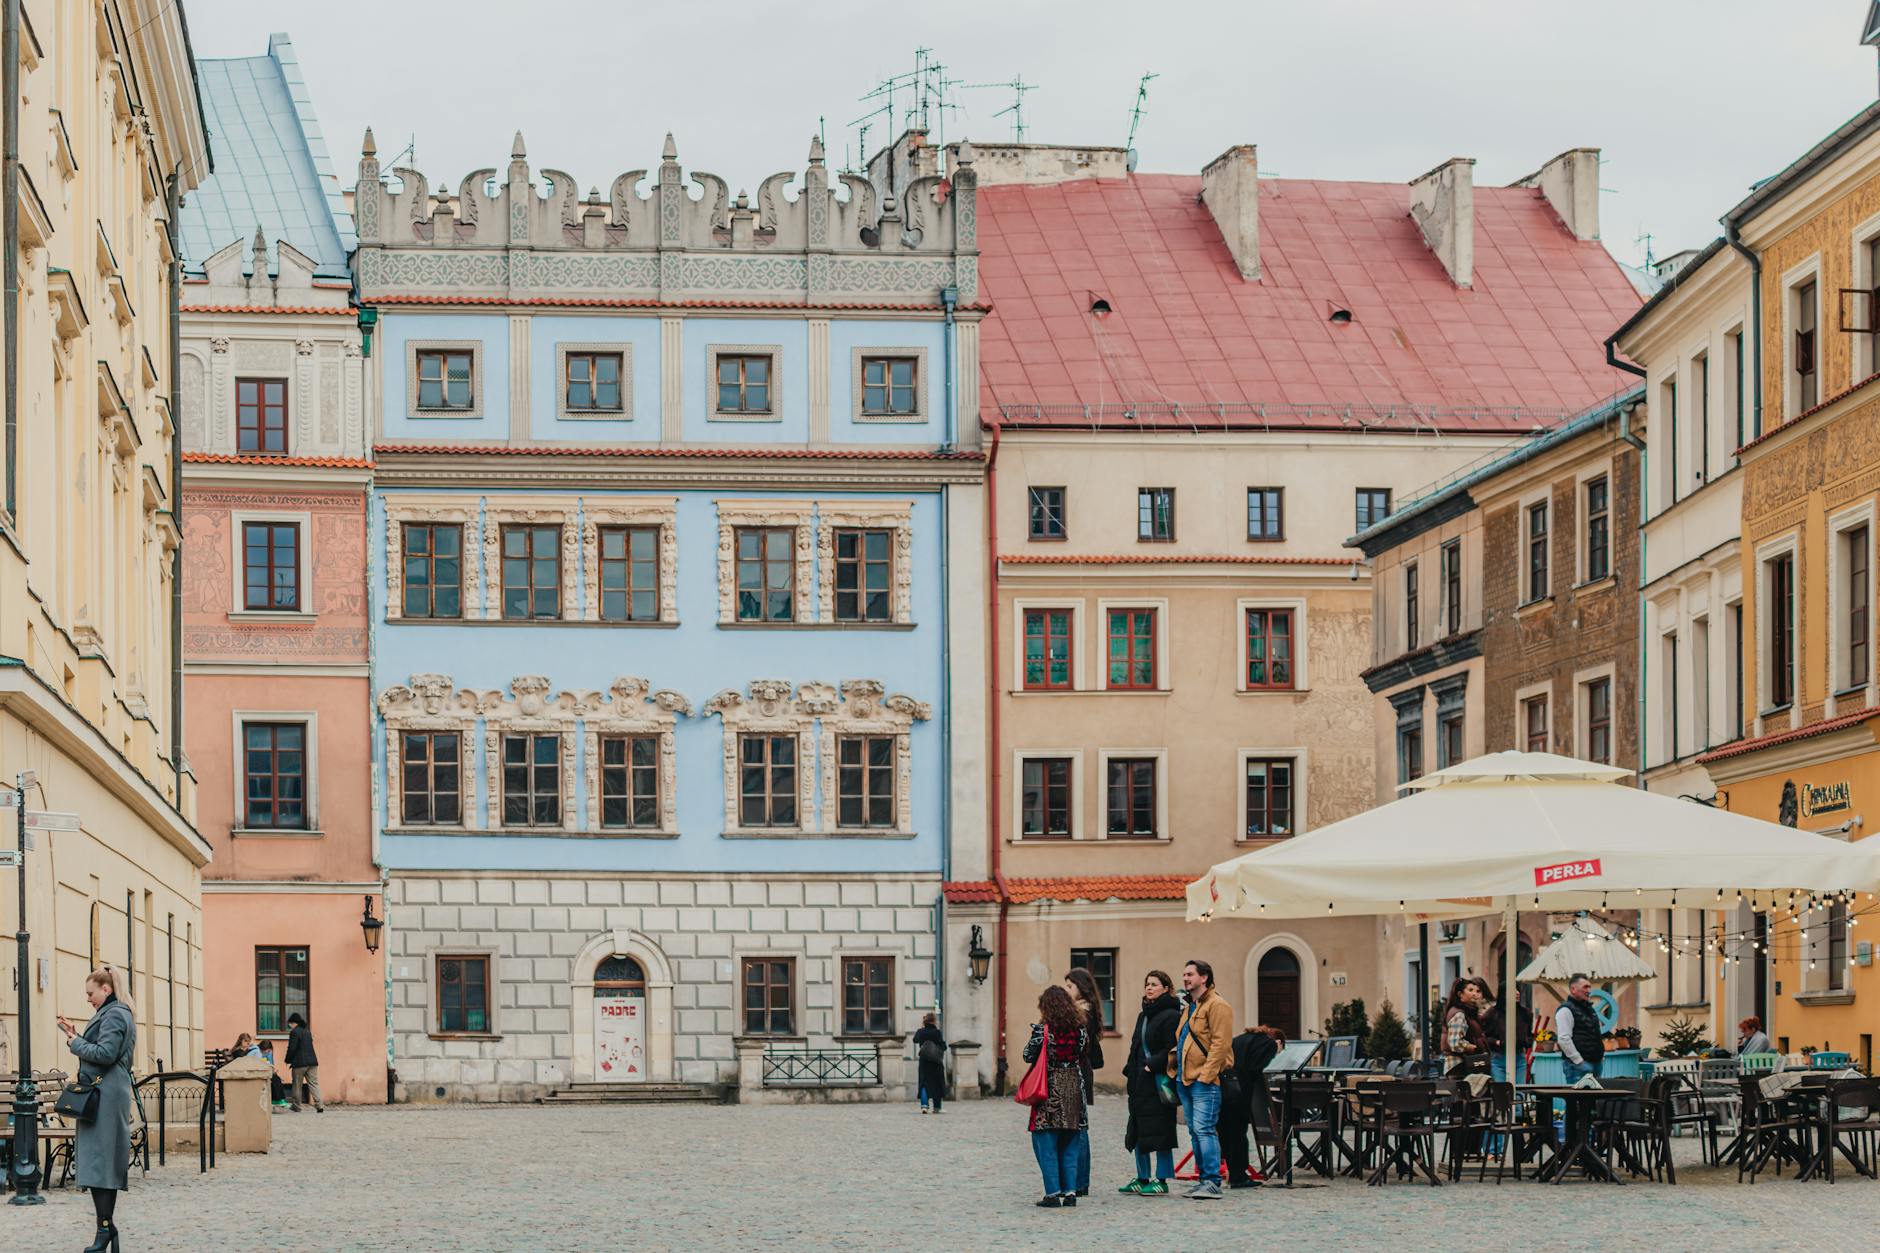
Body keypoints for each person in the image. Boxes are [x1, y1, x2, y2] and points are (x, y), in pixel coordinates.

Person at [57, 967, 136, 1253]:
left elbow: (105, 1054)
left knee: (101, 1164)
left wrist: (74, 1043)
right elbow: (104, 1048)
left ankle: (104, 1229)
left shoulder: (115, 1013)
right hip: (103, 1093)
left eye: (91, 993)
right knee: (97, 1163)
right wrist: (76, 1035)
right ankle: (106, 1228)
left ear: (106, 988)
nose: (88, 999)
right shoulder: (114, 1012)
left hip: (105, 1094)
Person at [1168, 959, 1233, 1199]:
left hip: (1205, 1081)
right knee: (1195, 1131)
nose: (1185, 978)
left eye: (1190, 974)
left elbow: (1220, 1044)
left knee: (1205, 1130)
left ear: (1204, 977)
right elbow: (1183, 1039)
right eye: (1184, 974)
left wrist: (1206, 1076)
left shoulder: (1218, 1005)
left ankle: (1212, 1181)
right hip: (1185, 1079)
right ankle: (1204, 1178)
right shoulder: (1190, 1007)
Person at [1023, 985, 1089, 1208]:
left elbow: (1027, 1055)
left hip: (1049, 1086)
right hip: (1073, 1085)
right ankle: (1070, 1192)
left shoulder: (1043, 1031)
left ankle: (1052, 1193)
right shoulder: (1080, 1030)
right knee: (1070, 1142)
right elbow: (1082, 1053)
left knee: (1047, 1141)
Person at [1119, 970, 1181, 1196]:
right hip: (1139, 1082)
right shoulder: (1143, 1016)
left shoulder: (1171, 1015)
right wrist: (1130, 1070)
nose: (1149, 987)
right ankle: (1142, 1176)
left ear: (1166, 988)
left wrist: (1151, 1064)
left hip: (1157, 1081)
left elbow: (1172, 1049)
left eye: (1154, 984)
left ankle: (1161, 1179)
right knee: (1138, 1129)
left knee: (1161, 1131)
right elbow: (1135, 1045)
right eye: (1147, 983)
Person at [1063, 967, 1105, 1197]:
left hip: (1078, 1071)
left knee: (1078, 1128)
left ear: (1081, 987)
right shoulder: (1083, 1010)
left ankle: (1079, 1180)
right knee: (1078, 1126)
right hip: (1081, 1070)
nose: (1067, 990)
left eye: (1070, 986)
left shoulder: (1082, 1012)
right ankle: (1079, 1179)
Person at [1220, 1024, 1278, 1188]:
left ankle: (1232, 1172)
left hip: (1225, 1086)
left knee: (1227, 1132)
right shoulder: (1270, 1044)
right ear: (1278, 1041)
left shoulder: (1240, 1039)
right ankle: (1239, 1176)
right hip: (1240, 1090)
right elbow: (1255, 1068)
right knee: (1239, 1133)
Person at [1475, 978, 1530, 1083]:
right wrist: (1496, 1042)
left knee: (1519, 1092)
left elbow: (1529, 1034)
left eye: (1518, 990)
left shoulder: (1525, 1013)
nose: (1517, 993)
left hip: (1519, 1057)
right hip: (1498, 1057)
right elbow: (1483, 1036)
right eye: (1513, 990)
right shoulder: (1493, 1013)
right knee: (1501, 1092)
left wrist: (1526, 1041)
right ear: (1504, 993)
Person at [1554, 974, 1605, 1083]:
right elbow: (1563, 1039)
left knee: (1593, 1100)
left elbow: (1596, 1034)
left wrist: (1600, 1058)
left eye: (1589, 987)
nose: (1589, 990)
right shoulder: (1565, 1010)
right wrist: (1579, 1061)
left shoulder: (1590, 1009)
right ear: (1573, 989)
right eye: (1585, 987)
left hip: (1595, 1064)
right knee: (1577, 1100)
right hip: (1579, 1067)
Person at [1439, 977, 1487, 1074]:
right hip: (1459, 1065)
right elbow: (1455, 1043)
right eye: (1470, 990)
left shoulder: (1467, 1012)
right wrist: (1472, 1047)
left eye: (1476, 990)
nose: (1474, 993)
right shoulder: (1459, 1014)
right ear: (1460, 994)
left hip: (1464, 1064)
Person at [285, 1012, 324, 1112]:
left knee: (297, 1084)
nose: (290, 1026)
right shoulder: (307, 1031)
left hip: (299, 1063)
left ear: (294, 1023)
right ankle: (319, 1105)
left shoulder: (294, 1032)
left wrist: (288, 1059)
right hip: (312, 1062)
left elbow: (292, 1048)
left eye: (290, 1023)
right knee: (314, 1083)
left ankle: (297, 1106)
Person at [912, 1012, 948, 1114]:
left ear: (925, 1020)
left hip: (924, 1061)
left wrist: (921, 1028)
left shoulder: (921, 1032)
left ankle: (924, 1106)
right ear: (934, 1021)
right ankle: (937, 1107)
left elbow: (915, 1040)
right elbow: (943, 1046)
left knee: (924, 1083)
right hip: (936, 1062)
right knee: (937, 1083)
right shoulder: (937, 1032)